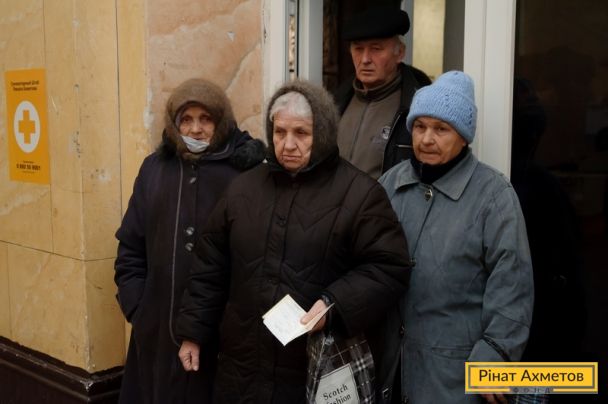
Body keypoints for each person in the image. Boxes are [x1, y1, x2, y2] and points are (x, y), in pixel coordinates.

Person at [175, 79, 411, 403]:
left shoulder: (360, 195)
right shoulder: (242, 190)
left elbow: (389, 266)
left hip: (314, 374)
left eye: (301, 133)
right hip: (241, 373)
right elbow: (209, 267)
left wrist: (334, 304)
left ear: (322, 134)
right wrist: (193, 333)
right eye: (279, 132)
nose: (287, 144)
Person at [378, 71, 534, 403]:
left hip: (455, 377)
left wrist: (496, 352)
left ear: (463, 136)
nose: (426, 139)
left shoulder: (494, 196)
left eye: (441, 129)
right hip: (391, 368)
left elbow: (513, 284)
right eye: (420, 126)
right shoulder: (390, 184)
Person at [113, 78, 265, 404]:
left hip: (220, 340)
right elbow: (131, 247)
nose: (196, 129)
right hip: (155, 335)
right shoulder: (154, 170)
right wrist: (138, 307)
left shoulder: (242, 175)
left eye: (205, 119)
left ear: (221, 122)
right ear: (174, 123)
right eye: (186, 119)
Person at [335, 4, 431, 179]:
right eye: (358, 49)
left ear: (400, 53)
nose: (365, 59)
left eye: (376, 49)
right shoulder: (337, 101)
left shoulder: (418, 106)